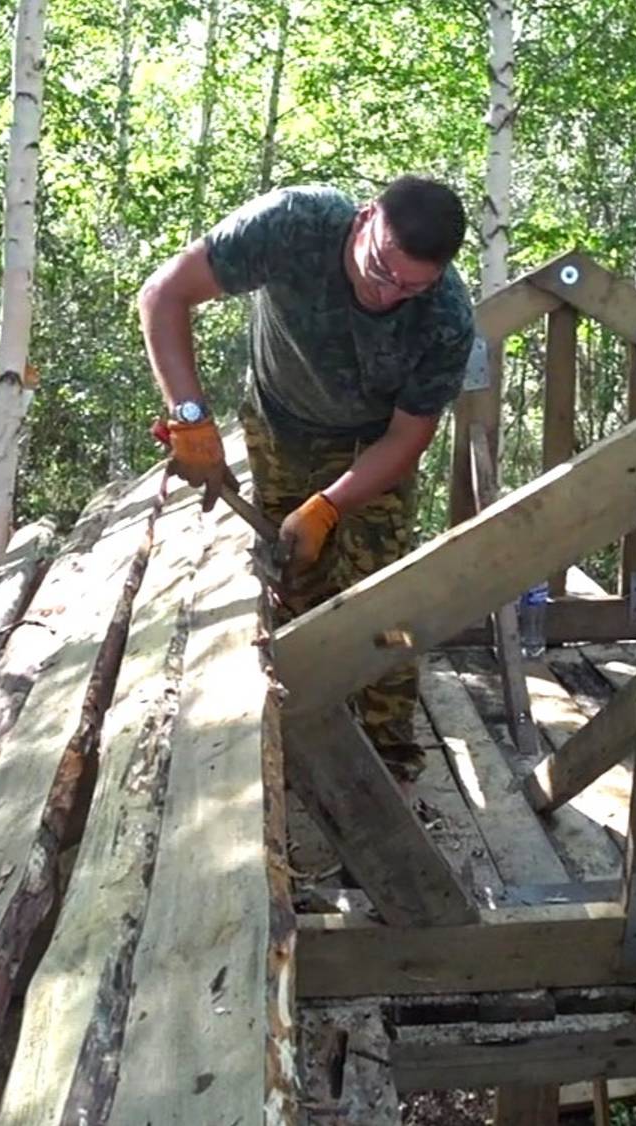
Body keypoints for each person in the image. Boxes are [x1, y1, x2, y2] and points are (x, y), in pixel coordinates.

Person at [137, 176, 476, 786]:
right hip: (280, 425)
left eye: (411, 287)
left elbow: (407, 437)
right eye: (381, 270)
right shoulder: (295, 224)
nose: (388, 294)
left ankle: (389, 765)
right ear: (364, 219)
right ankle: (301, 741)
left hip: (372, 447)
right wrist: (190, 420)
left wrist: (329, 506)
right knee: (292, 581)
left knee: (383, 596)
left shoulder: (446, 316)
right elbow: (165, 294)